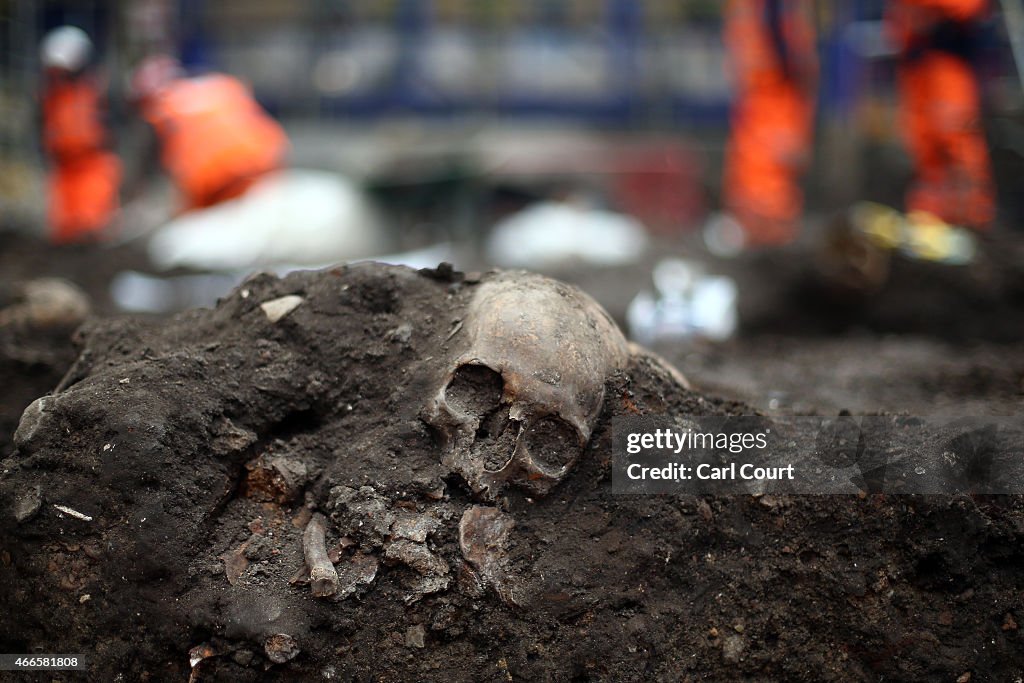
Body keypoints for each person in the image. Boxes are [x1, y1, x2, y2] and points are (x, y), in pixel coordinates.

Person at [711, 0, 819, 254]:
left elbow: (799, 51)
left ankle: (771, 238)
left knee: (769, 169)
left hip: (774, 93)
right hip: (758, 92)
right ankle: (758, 233)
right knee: (754, 165)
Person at [129, 55, 289, 213]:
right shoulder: (224, 85)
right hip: (269, 170)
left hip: (222, 188)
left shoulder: (164, 111)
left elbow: (181, 176)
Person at [889, 0, 995, 235]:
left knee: (954, 135)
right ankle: (931, 220)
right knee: (922, 141)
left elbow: (970, 6)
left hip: (948, 55)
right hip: (915, 57)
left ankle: (972, 221)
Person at [39, 26, 121, 244]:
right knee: (66, 226)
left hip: (92, 163)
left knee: (92, 223)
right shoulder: (50, 92)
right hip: (64, 165)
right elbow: (42, 125)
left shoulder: (97, 88)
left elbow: (115, 124)